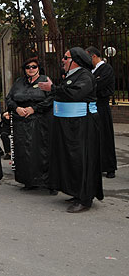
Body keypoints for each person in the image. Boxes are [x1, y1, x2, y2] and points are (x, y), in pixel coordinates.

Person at [40, 47, 103, 213]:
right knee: (70, 159)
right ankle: (76, 191)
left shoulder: (85, 76)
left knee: (81, 160)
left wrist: (52, 89)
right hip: (70, 125)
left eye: (65, 57)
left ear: (75, 60)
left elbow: (75, 94)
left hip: (83, 124)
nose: (62, 60)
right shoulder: (72, 75)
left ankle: (84, 198)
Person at [5, 57, 54, 190]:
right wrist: (17, 108)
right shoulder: (19, 82)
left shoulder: (45, 80)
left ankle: (47, 182)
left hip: (40, 121)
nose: (31, 69)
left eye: (34, 66)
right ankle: (29, 180)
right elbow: (9, 98)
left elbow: (51, 98)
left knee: (41, 151)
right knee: (24, 152)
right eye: (28, 67)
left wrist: (34, 109)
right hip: (21, 122)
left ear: (38, 68)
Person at [86, 46, 117, 178]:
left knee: (105, 136)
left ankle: (109, 167)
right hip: (91, 106)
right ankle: (96, 165)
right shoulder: (90, 70)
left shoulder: (106, 69)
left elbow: (96, 86)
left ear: (93, 56)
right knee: (94, 137)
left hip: (102, 106)